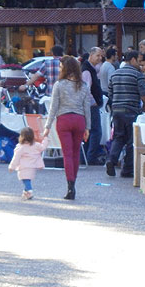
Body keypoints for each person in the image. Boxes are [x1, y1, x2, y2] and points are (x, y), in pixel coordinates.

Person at [43, 56, 90, 200]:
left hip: (64, 120)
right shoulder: (83, 85)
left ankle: (70, 186)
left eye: (61, 67)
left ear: (66, 68)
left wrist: (47, 126)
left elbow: (53, 107)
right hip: (80, 120)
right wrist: (88, 127)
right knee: (76, 154)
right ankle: (73, 182)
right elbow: (86, 107)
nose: (59, 69)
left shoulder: (59, 85)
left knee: (67, 154)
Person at [106, 50, 145, 178]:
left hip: (117, 110)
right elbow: (144, 94)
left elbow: (110, 94)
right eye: (139, 61)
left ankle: (111, 161)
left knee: (118, 137)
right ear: (133, 60)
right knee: (131, 140)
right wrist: (144, 105)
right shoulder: (137, 74)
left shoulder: (114, 74)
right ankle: (127, 169)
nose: (141, 65)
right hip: (131, 110)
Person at [8, 127, 49, 200]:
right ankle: (25, 193)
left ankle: (29, 191)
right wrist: (45, 138)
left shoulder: (20, 147)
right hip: (32, 167)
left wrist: (12, 167)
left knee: (25, 180)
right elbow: (43, 147)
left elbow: (16, 158)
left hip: (23, 167)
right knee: (27, 180)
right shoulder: (36, 145)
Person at [80, 47, 104, 164]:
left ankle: (85, 157)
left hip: (90, 105)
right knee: (96, 131)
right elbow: (86, 89)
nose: (100, 58)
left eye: (101, 56)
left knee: (90, 131)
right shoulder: (87, 70)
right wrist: (93, 102)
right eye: (98, 56)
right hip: (90, 106)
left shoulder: (91, 68)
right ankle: (91, 157)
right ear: (91, 55)